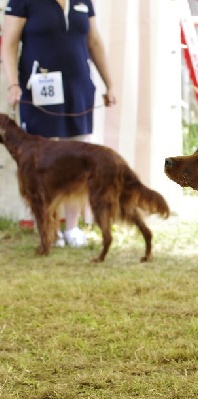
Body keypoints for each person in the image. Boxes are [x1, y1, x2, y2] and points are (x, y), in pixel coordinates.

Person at [2, 0, 116, 247]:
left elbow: (94, 42)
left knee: (77, 164)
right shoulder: (21, 2)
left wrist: (110, 84)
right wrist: (13, 84)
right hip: (39, 92)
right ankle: (47, 227)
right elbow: (9, 44)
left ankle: (72, 227)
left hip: (79, 91)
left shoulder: (84, 2)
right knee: (41, 167)